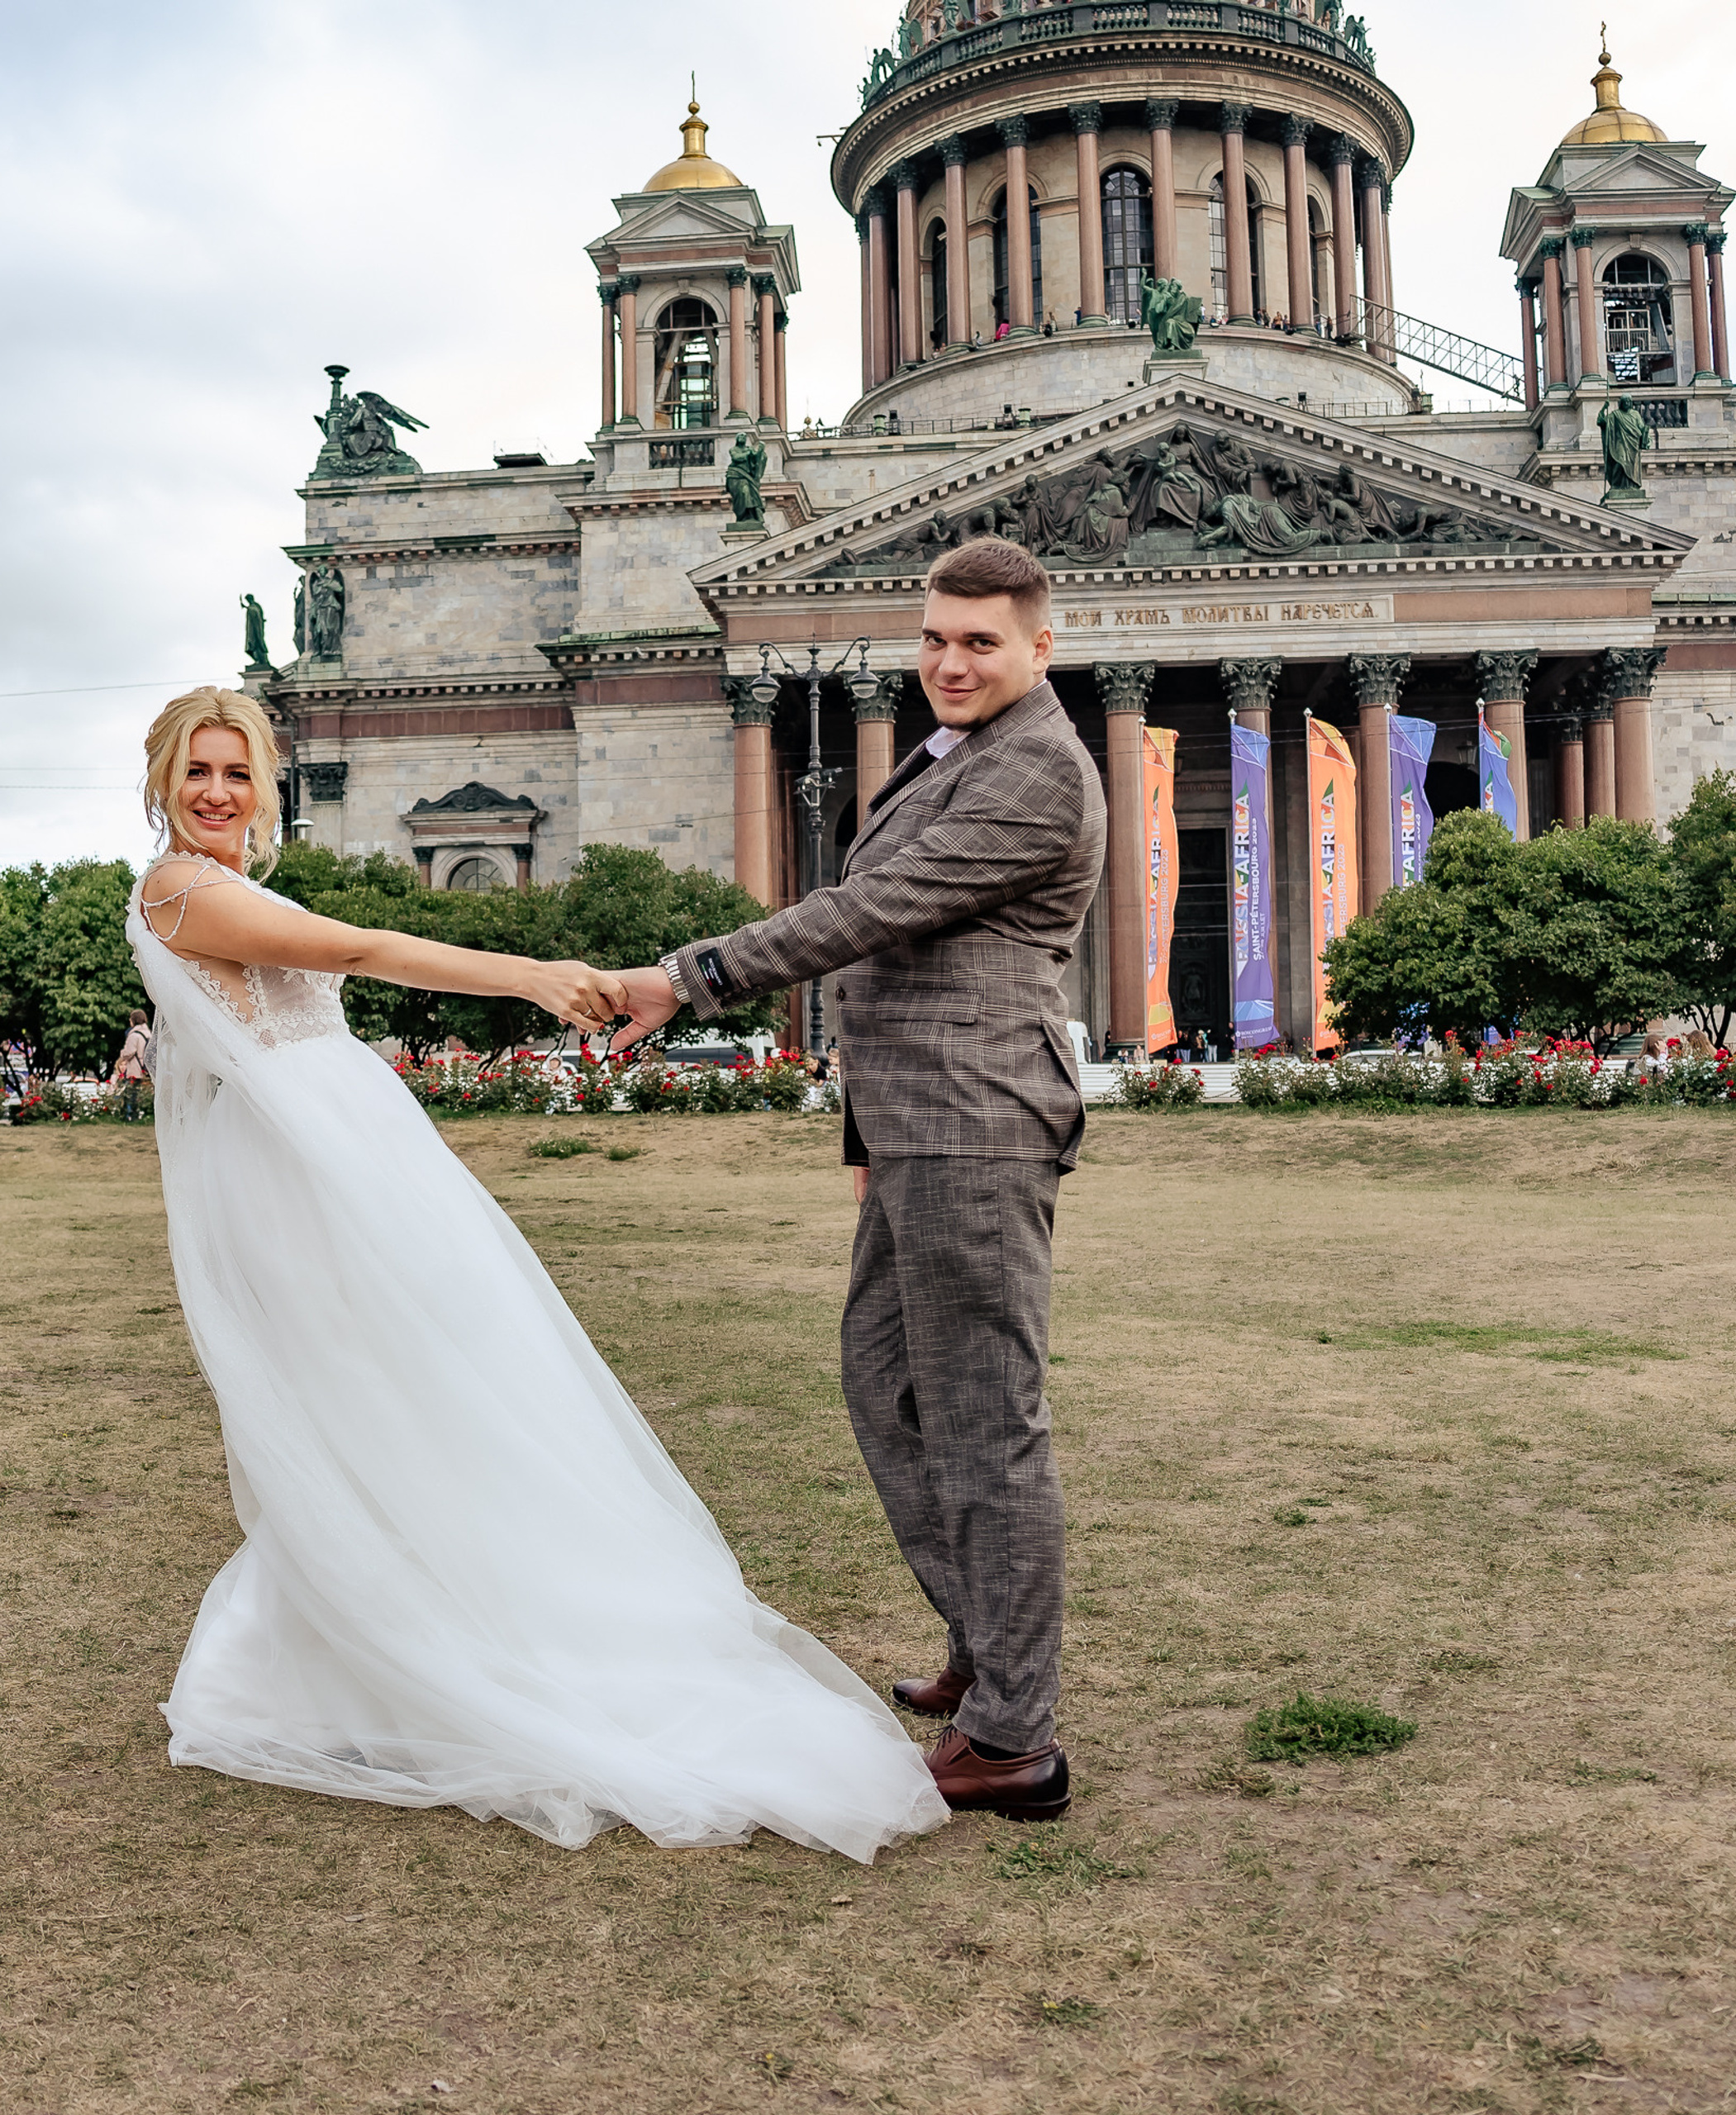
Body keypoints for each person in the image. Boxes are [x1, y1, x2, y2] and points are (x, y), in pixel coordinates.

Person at [125, 685, 943, 1861]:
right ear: (161, 779)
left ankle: (431, 1629)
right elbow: (357, 949)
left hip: (348, 1147)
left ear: (265, 785)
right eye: (197, 770)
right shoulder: (179, 888)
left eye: (237, 771)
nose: (216, 792)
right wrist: (529, 973)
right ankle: (384, 1648)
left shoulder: (226, 884)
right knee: (366, 1400)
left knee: (425, 1393)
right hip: (298, 1164)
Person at [610, 538, 1106, 1823]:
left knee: (986, 1421)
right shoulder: (960, 750)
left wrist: (692, 977)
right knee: (885, 1382)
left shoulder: (1039, 770)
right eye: (934, 637)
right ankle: (985, 1645)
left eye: (980, 642)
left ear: (1040, 648)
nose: (950, 662)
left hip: (974, 1122)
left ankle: (1015, 1739)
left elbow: (870, 912)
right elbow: (890, 952)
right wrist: (862, 1137)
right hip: (918, 1122)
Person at [110, 1008, 151, 1120]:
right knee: (140, 1092)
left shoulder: (134, 1035)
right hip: (145, 1066)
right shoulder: (148, 1033)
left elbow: (129, 1053)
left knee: (131, 1093)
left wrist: (122, 1053)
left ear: (134, 1020)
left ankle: (131, 1116)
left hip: (135, 1068)